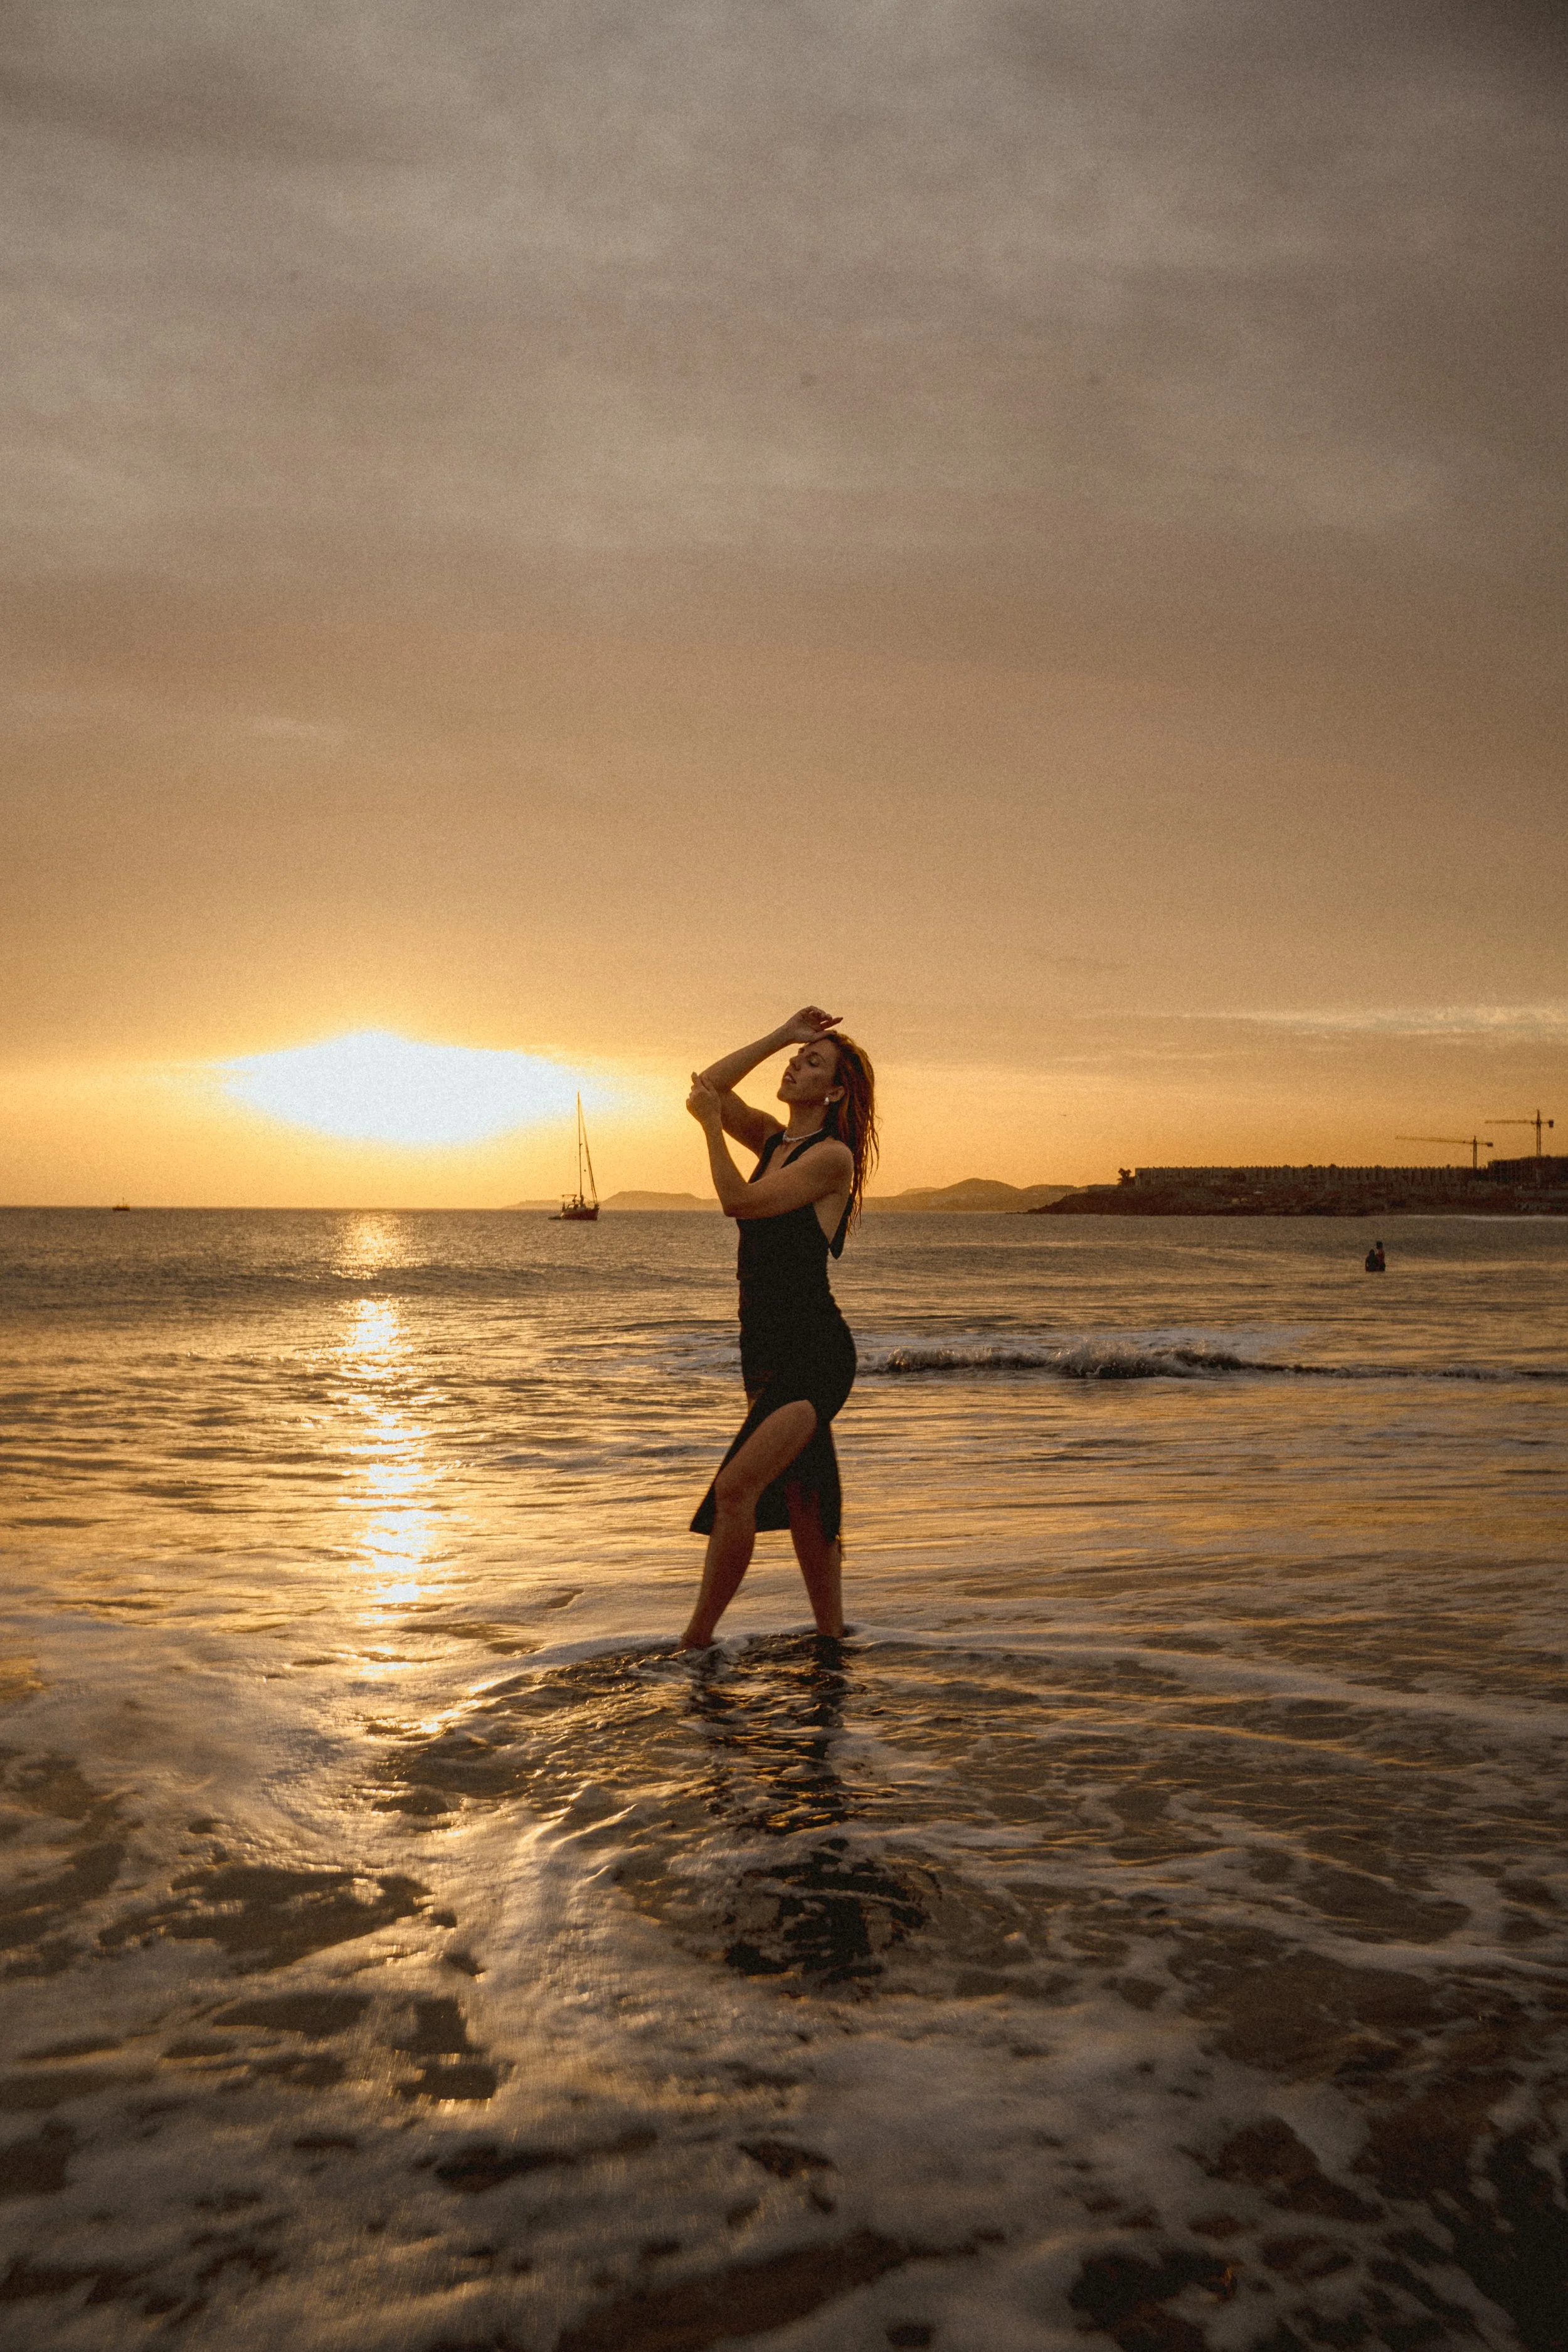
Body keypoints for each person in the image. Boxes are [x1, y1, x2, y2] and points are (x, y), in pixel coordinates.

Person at [681, 1007, 877, 1650]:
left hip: (812, 1352)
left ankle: (696, 1643)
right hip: (762, 1349)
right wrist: (778, 1037)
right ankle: (831, 1638)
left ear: (835, 1091)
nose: (797, 1066)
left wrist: (712, 1134)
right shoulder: (771, 1138)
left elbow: (738, 1203)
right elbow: (705, 1086)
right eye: (800, 1057)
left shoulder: (831, 1159)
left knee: (736, 1489)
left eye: (812, 1063)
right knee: (805, 1495)